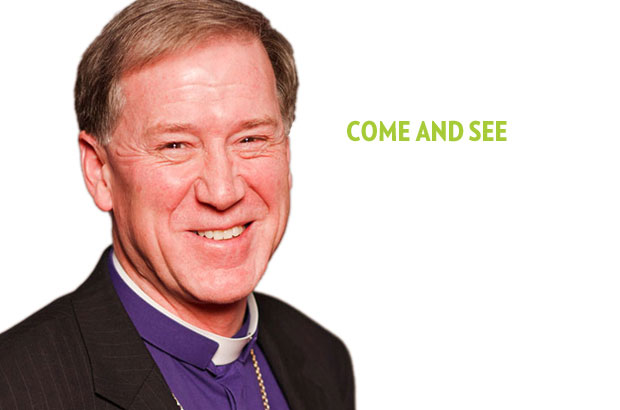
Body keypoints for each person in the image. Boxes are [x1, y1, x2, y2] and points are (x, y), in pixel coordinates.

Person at [0, 0, 355, 409]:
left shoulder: (321, 356)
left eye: (250, 139)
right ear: (100, 172)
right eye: (175, 146)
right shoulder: (15, 388)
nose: (222, 192)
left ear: (286, 154)